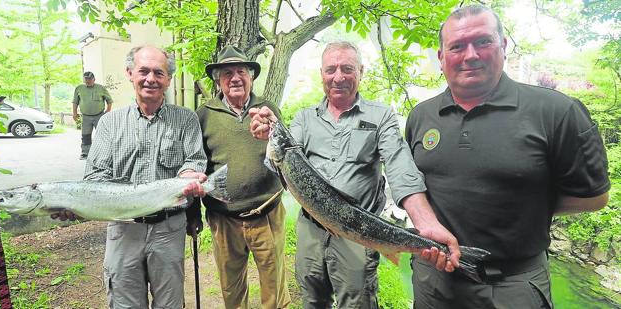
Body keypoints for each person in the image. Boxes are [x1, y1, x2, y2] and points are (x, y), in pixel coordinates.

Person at [404, 5, 610, 308]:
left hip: (513, 284)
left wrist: (524, 206)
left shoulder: (556, 111)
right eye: (457, 46)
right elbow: (413, 183)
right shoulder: (421, 116)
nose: (470, 55)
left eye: (483, 41)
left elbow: (594, 197)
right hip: (434, 280)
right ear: (441, 58)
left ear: (503, 45)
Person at [250, 41, 460, 309]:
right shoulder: (304, 119)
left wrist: (425, 220)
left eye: (347, 69)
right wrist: (267, 132)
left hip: (359, 231)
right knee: (313, 300)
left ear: (361, 71)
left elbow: (399, 166)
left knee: (356, 302)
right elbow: (285, 163)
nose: (339, 77)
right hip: (310, 230)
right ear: (322, 75)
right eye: (331, 70)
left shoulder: (380, 116)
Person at [56, 45, 208, 308]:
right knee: (125, 303)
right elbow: (95, 177)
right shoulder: (109, 123)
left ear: (168, 79)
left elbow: (194, 160)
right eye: (144, 71)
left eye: (159, 73)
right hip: (122, 229)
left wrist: (188, 177)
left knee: (170, 304)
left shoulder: (186, 119)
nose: (151, 79)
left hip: (168, 228)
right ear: (130, 73)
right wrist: (79, 204)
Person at [197, 45, 290, 309]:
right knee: (231, 290)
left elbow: (285, 152)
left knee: (274, 291)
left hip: (267, 215)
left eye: (241, 71)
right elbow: (196, 166)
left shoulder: (267, 109)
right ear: (218, 80)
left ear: (251, 77)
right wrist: (193, 212)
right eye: (227, 73)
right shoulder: (204, 114)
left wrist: (273, 129)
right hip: (224, 219)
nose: (235, 77)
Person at [72, 71, 113, 160]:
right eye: (86, 79)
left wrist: (108, 111)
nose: (88, 81)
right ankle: (85, 153)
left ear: (94, 79)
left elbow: (109, 101)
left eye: (89, 79)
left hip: (99, 115)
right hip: (85, 116)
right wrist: (74, 113)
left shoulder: (101, 88)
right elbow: (75, 102)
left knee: (102, 135)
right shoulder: (79, 88)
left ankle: (103, 153)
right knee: (85, 135)